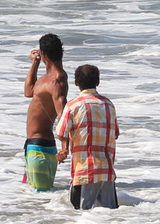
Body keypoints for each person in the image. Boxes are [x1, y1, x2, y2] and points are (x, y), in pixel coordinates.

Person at [56, 64, 120, 210]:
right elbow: (115, 133)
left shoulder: (73, 105)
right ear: (98, 82)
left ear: (76, 83)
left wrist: (64, 150)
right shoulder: (109, 105)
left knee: (80, 216)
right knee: (109, 216)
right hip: (106, 171)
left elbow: (61, 132)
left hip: (84, 172)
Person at [22, 33, 68, 192]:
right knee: (35, 200)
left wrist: (65, 147)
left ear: (44, 54)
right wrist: (35, 63)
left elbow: (63, 114)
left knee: (39, 199)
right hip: (34, 146)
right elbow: (28, 92)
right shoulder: (47, 78)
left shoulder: (56, 81)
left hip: (40, 149)